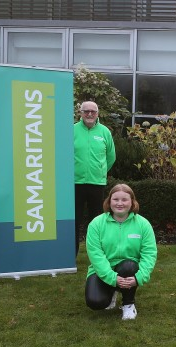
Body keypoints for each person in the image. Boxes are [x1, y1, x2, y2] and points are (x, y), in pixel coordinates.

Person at [85, 184, 157, 320]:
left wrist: (139, 277)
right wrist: (112, 278)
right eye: (115, 199)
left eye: (124, 200)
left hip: (129, 270)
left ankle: (128, 304)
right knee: (95, 302)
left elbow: (149, 253)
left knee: (129, 266)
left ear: (132, 202)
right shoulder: (96, 224)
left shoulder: (143, 224)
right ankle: (112, 291)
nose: (120, 203)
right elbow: (96, 255)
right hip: (102, 270)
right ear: (109, 201)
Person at [74, 101, 116, 257]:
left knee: (97, 221)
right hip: (75, 183)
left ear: (98, 113)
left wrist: (101, 171)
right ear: (81, 113)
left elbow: (111, 156)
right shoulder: (72, 130)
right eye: (86, 111)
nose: (89, 114)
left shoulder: (104, 132)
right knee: (74, 220)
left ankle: (96, 254)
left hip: (96, 184)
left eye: (93, 111)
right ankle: (72, 253)